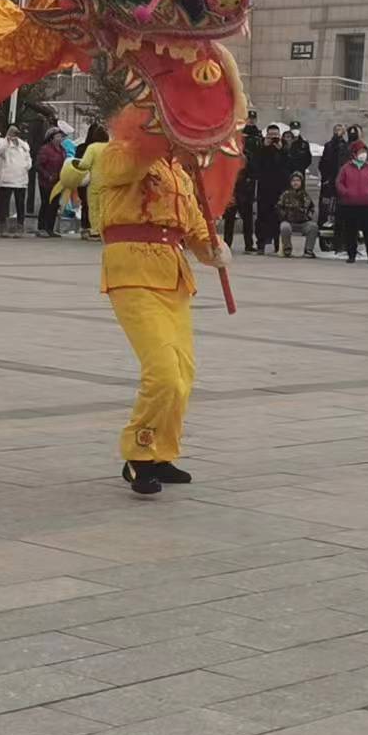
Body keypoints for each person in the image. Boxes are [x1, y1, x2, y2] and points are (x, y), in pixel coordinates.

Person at [57, 129, 230, 494]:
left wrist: (212, 249)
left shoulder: (180, 173)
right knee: (163, 371)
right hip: (131, 267)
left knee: (183, 372)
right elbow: (124, 171)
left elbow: (196, 224)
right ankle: (138, 454)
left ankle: (161, 452)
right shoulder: (119, 153)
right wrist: (155, 134)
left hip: (172, 273)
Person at [336, 140, 368, 263]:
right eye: (360, 152)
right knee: (351, 231)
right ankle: (351, 255)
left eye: (364, 152)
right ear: (354, 154)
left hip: (366, 204)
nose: (363, 154)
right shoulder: (346, 167)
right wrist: (345, 192)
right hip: (350, 204)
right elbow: (339, 182)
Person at [251, 125, 291, 254]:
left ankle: (277, 244)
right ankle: (261, 244)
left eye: (276, 135)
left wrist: (281, 150)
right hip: (264, 188)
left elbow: (290, 165)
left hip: (280, 188)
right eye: (271, 135)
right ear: (266, 135)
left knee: (278, 216)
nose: (273, 137)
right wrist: (264, 147)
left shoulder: (284, 147)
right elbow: (254, 165)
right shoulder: (261, 147)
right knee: (262, 217)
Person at [0, 125, 31, 237]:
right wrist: (7, 138)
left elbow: (28, 159)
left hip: (21, 179)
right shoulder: (3, 142)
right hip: (7, 179)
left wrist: (26, 166)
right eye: (12, 132)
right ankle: (3, 226)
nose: (14, 134)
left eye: (16, 132)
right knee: (4, 204)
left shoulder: (24, 145)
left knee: (20, 204)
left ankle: (20, 226)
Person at [34, 128, 68, 237]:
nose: (60, 138)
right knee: (46, 203)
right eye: (57, 136)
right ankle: (41, 228)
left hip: (58, 182)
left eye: (61, 136)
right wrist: (47, 175)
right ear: (51, 138)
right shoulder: (45, 149)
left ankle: (50, 228)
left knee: (54, 205)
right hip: (46, 182)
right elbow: (38, 165)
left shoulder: (62, 150)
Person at [78, 122, 107, 240]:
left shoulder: (92, 148)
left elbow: (85, 164)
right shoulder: (111, 147)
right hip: (109, 182)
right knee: (104, 207)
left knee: (93, 207)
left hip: (95, 182)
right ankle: (105, 229)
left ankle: (95, 231)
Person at [276, 172, 317, 257]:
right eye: (293, 180)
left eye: (298, 180)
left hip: (303, 223)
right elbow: (279, 207)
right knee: (284, 227)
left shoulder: (305, 195)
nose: (295, 182)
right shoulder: (285, 195)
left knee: (313, 227)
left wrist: (308, 216)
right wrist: (285, 216)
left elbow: (312, 208)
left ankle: (308, 251)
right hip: (289, 222)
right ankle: (287, 249)